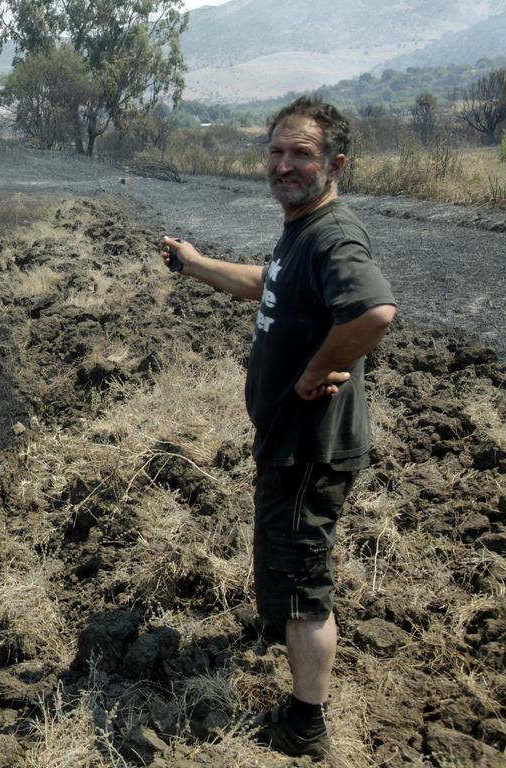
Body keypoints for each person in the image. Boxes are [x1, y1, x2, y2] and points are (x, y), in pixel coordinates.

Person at [160, 95, 397, 759]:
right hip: (287, 442)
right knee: (288, 566)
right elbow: (272, 284)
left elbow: (374, 311)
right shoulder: (302, 233)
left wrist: (313, 370)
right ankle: (282, 628)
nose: (284, 165)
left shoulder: (333, 235)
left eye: (302, 154)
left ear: (335, 164)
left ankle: (304, 723)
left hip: (308, 446)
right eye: (277, 151)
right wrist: (197, 263)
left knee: (303, 589)